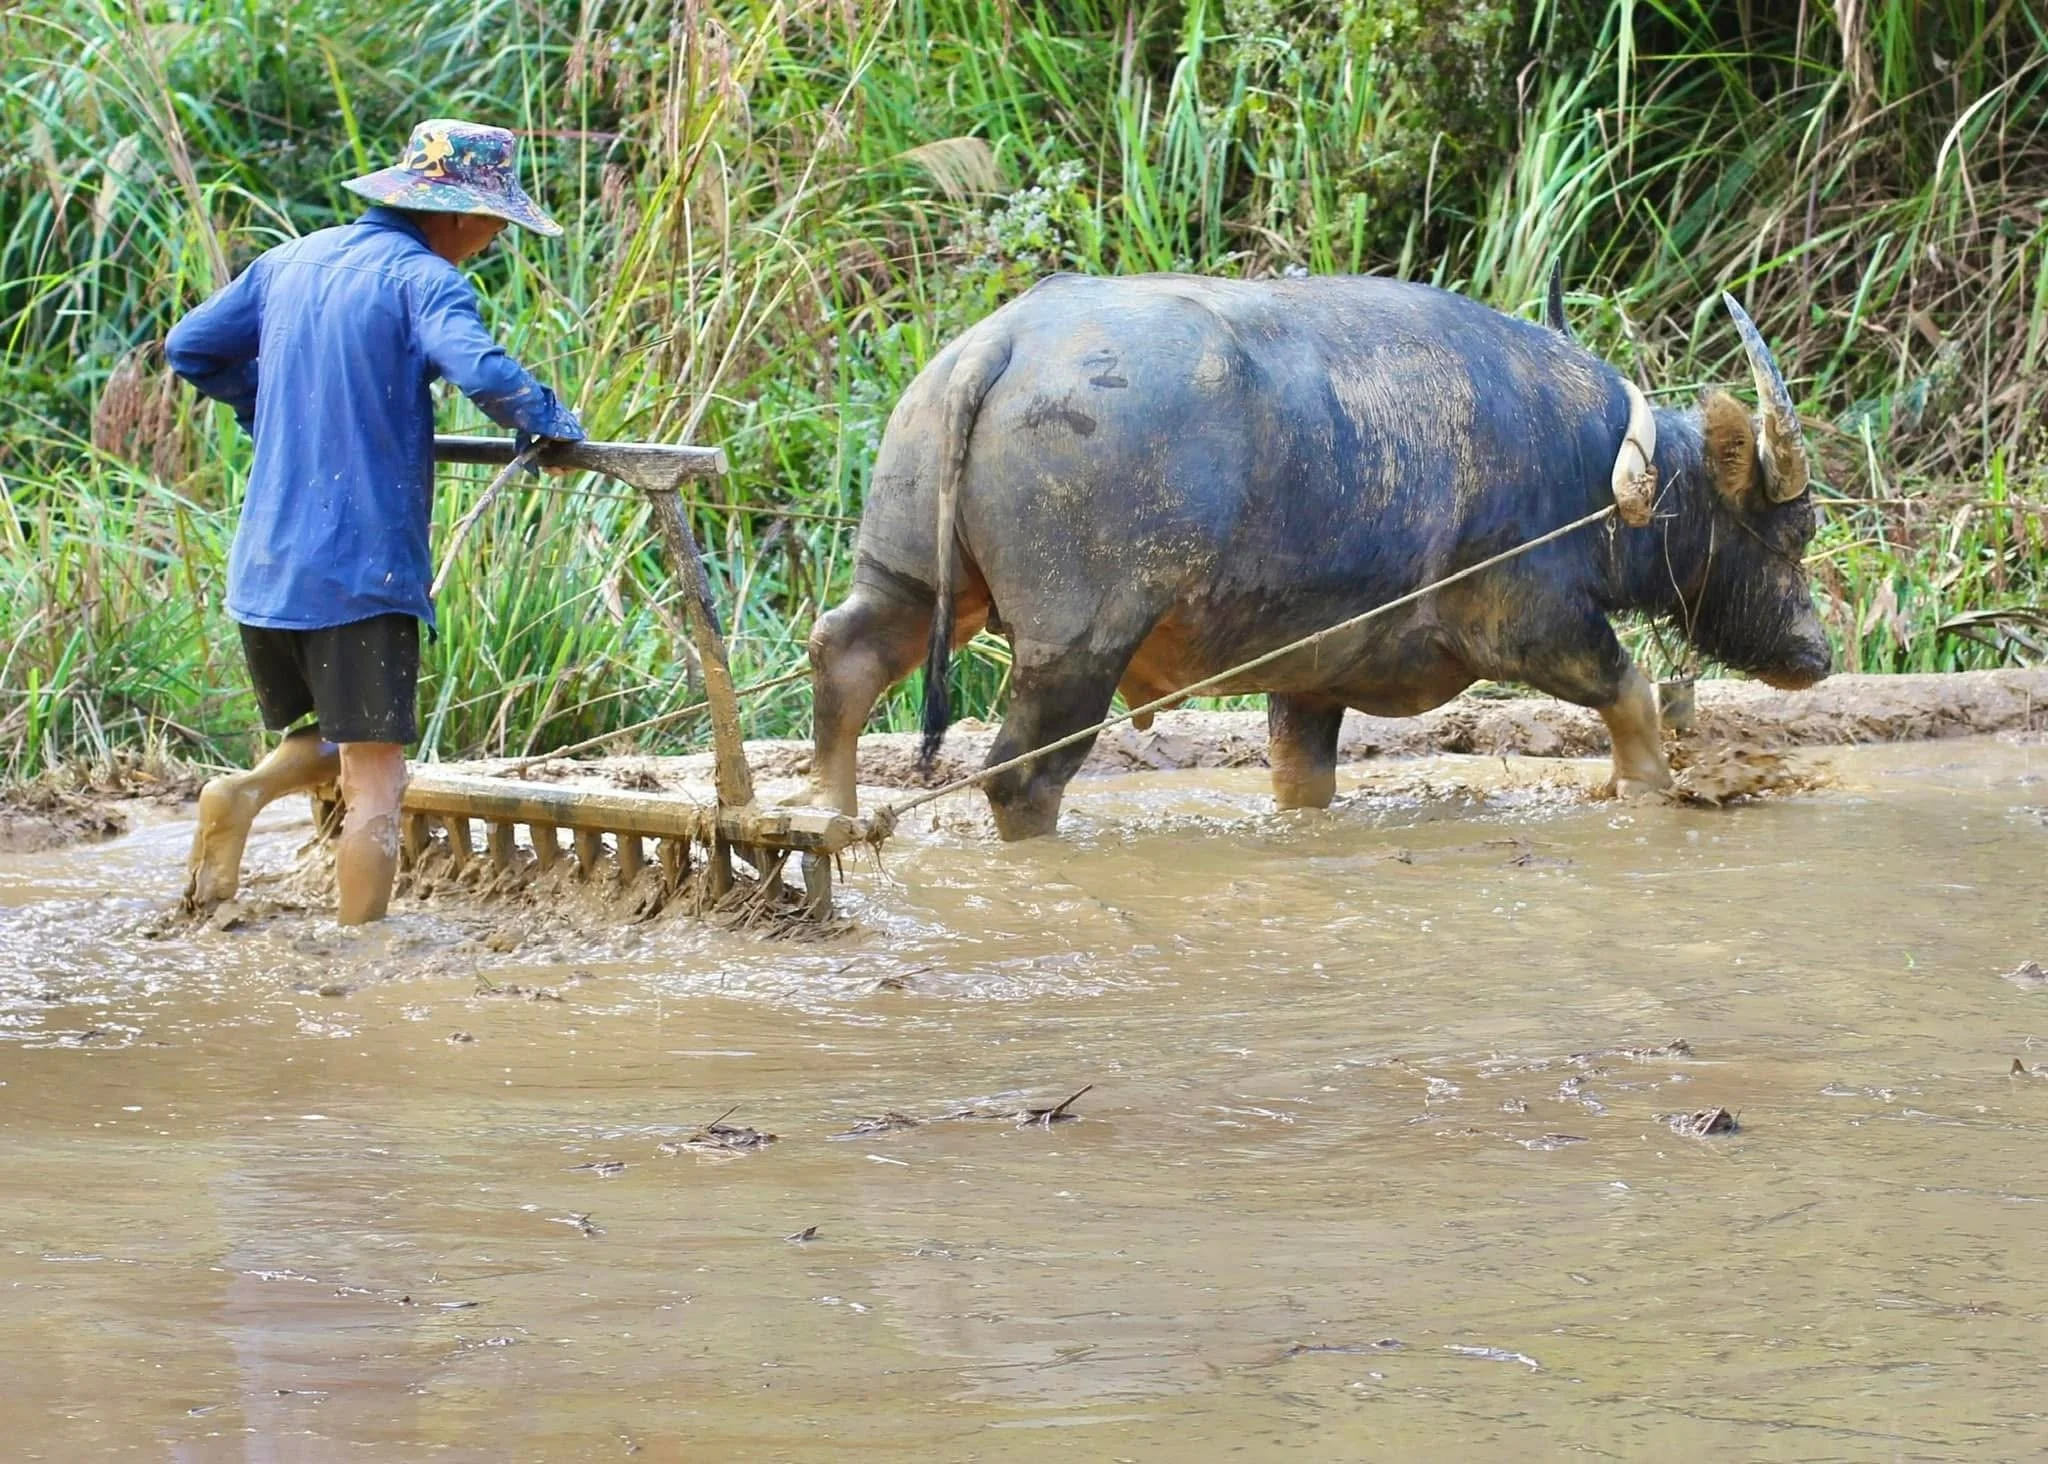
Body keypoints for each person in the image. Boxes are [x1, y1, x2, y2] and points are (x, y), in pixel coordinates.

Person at [165, 119, 584, 924]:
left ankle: (242, 790)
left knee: (333, 738)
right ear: (457, 214)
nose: (495, 240)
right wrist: (551, 422)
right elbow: (480, 368)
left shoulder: (290, 261)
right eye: (496, 224)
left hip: (267, 571)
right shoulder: (423, 279)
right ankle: (362, 960)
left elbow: (191, 347)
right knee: (378, 780)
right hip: (363, 570)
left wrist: (267, 406)